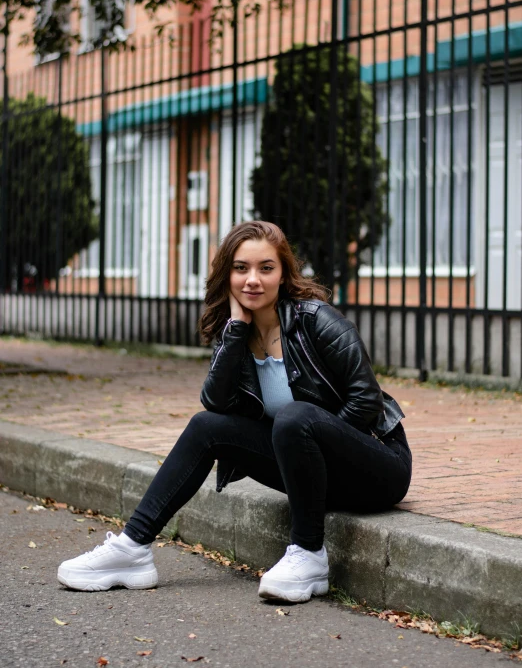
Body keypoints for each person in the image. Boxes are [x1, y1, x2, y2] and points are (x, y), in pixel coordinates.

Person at [58, 221, 412, 602]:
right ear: (227, 274)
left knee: (295, 416)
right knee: (206, 426)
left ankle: (309, 555)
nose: (252, 280)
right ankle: (132, 548)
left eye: (266, 268)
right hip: (313, 474)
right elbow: (216, 403)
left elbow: (366, 399)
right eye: (241, 268)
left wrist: (318, 452)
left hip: (376, 467)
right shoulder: (239, 333)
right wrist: (235, 332)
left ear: (283, 274)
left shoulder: (316, 319)